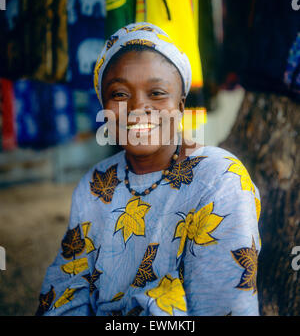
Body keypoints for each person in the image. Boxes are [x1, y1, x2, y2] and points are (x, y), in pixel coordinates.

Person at [36, 22, 261, 316]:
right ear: (104, 107)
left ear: (180, 107)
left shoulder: (219, 180)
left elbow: (222, 305)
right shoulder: (96, 183)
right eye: (119, 94)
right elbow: (66, 290)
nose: (138, 107)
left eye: (156, 93)